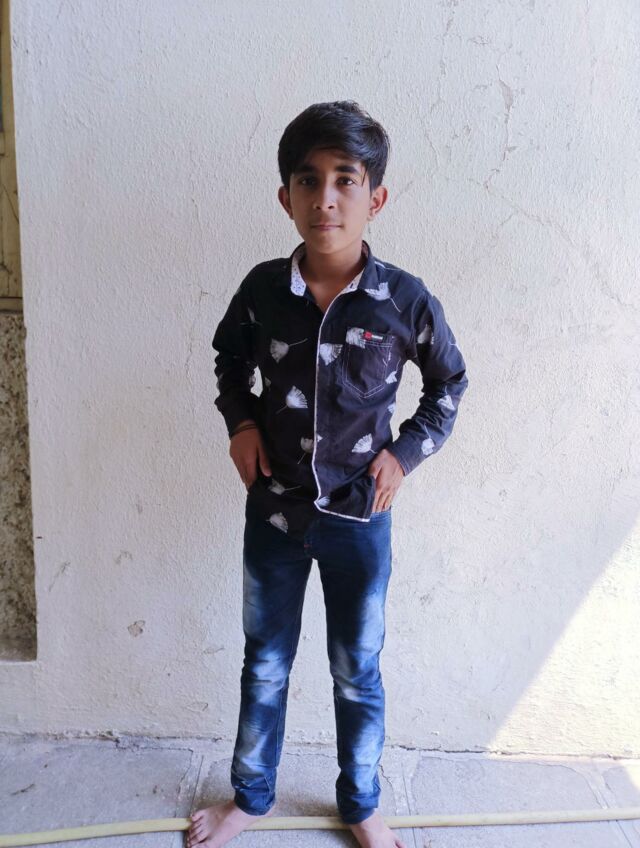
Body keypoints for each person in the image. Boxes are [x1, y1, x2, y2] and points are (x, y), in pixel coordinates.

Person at [187, 100, 468, 848]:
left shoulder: (404, 300)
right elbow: (228, 364)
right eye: (308, 181)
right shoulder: (261, 292)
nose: (326, 199)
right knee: (264, 665)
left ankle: (361, 804)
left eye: (346, 179)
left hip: (359, 523)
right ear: (286, 197)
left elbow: (448, 384)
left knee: (356, 670)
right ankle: (250, 796)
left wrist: (404, 454)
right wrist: (241, 424)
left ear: (376, 196)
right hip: (274, 516)